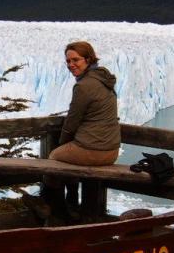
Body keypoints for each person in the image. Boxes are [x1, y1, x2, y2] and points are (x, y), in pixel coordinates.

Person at [43, 41, 121, 223]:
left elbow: (72, 121)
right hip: (111, 151)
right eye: (68, 61)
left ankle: (57, 209)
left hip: (93, 150)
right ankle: (73, 206)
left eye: (75, 60)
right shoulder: (103, 80)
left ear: (88, 59)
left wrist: (62, 142)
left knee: (54, 158)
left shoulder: (84, 86)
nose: (71, 65)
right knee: (69, 159)